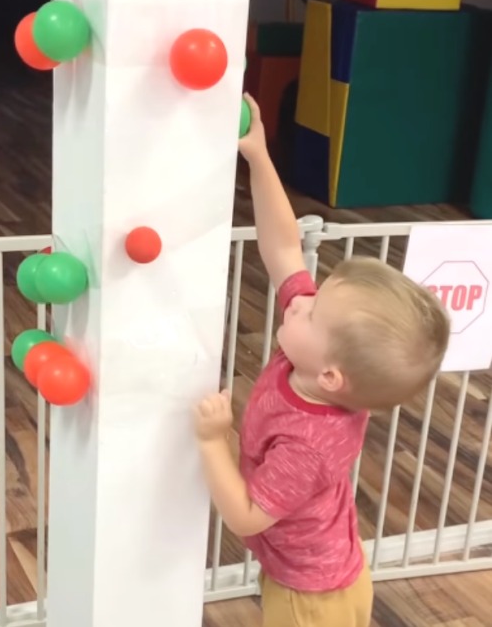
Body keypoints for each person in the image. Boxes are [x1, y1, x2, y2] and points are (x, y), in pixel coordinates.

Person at [192, 94, 450, 627]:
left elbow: (244, 514)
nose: (301, 299)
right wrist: (259, 159)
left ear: (331, 375)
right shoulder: (315, 352)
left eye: (312, 311)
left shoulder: (308, 443)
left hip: (311, 599)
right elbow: (284, 250)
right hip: (319, 574)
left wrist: (212, 440)